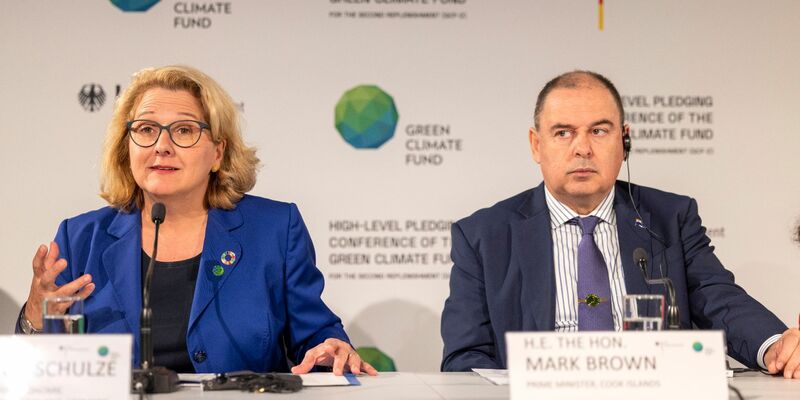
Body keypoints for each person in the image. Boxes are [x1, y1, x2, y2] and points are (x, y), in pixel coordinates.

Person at [16, 65, 377, 376]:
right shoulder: (81, 238)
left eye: (184, 130)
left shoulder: (274, 230)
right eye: (145, 129)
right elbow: (43, 369)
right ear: (127, 147)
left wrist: (331, 348)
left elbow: (315, 336)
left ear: (218, 152)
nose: (162, 145)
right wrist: (35, 315)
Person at [440, 70, 800, 379]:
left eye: (599, 131)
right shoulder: (484, 236)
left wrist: (775, 347)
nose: (582, 148)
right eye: (563, 133)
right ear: (537, 144)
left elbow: (718, 298)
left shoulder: (669, 217)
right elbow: (465, 356)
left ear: (624, 140)